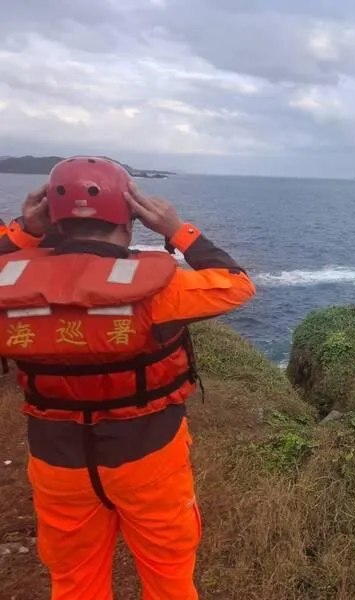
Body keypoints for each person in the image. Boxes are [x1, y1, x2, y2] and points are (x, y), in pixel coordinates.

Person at [0, 156, 256, 599]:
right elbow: (235, 284)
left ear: (51, 216)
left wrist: (24, 228)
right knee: (168, 576)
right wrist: (179, 230)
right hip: (149, 454)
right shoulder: (160, 288)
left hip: (56, 458)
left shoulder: (12, 284)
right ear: (130, 215)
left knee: (74, 580)